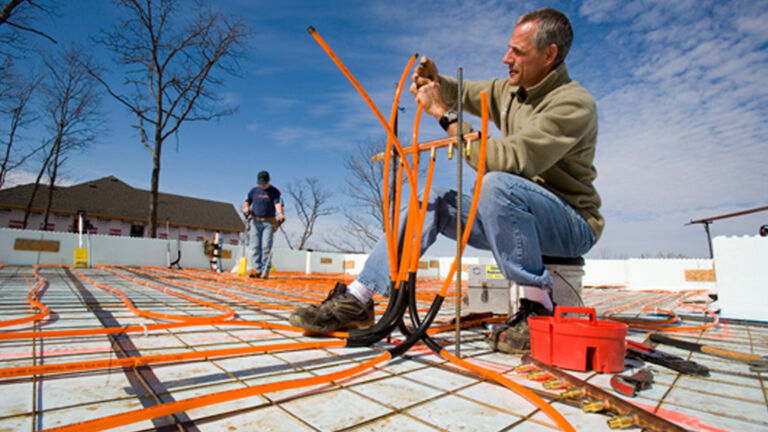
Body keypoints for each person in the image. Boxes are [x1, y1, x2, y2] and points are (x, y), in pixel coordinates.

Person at [290, 8, 603, 353]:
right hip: (513, 220)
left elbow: (504, 161)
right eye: (508, 48)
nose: (506, 58)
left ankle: (537, 309)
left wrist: (442, 113)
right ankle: (359, 298)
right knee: (431, 197)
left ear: (550, 55)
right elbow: (465, 92)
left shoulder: (573, 104)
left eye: (518, 51)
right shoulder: (512, 90)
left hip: (569, 225)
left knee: (495, 182)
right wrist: (436, 82)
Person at [243, 170, 285, 279]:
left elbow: (278, 204)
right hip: (255, 221)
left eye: (264, 183)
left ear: (269, 180)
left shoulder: (275, 192)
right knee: (255, 246)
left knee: (266, 246)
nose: (262, 185)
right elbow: (247, 201)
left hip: (268, 222)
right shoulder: (254, 190)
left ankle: (265, 271)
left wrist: (280, 214)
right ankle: (257, 270)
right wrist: (246, 207)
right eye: (260, 183)